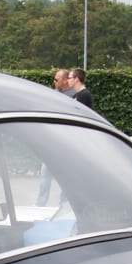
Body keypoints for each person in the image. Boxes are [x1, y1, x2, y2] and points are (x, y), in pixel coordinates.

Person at [38, 70, 73, 205]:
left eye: (56, 79)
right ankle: (40, 204)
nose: (54, 82)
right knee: (44, 177)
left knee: (65, 178)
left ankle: (63, 204)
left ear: (65, 80)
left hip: (65, 144)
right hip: (51, 144)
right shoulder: (53, 94)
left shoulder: (74, 96)